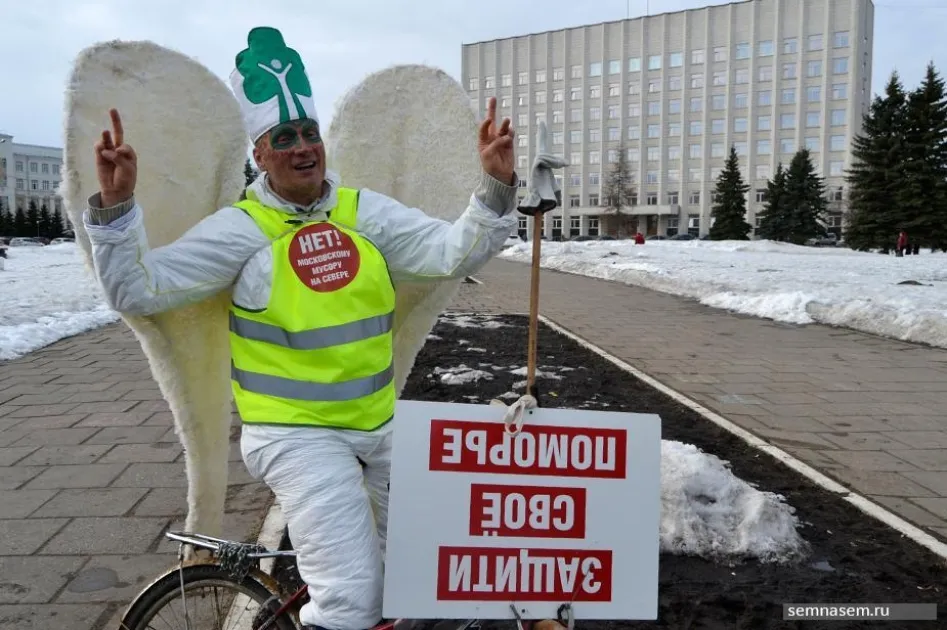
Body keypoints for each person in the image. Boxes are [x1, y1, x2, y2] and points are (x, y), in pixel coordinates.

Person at [83, 26, 519, 630]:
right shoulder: (242, 228)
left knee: (420, 574)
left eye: (309, 134)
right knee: (350, 600)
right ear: (259, 155)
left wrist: (495, 189)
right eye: (283, 138)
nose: (302, 147)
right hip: (297, 438)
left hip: (379, 425)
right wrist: (116, 207)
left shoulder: (363, 211)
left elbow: (450, 253)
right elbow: (138, 287)